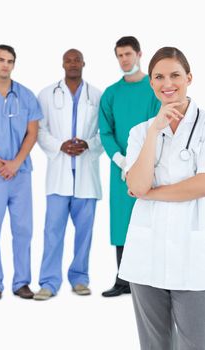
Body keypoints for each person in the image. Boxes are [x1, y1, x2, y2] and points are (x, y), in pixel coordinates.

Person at [119, 47, 205, 349]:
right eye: (158, 77)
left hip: (195, 256)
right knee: (154, 344)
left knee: (197, 342)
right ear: (151, 83)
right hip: (147, 255)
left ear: (189, 78)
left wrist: (152, 193)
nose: (167, 83)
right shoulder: (141, 132)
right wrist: (155, 131)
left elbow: (202, 184)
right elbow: (138, 185)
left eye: (175, 75)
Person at [0, 44, 43, 300]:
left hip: (20, 173)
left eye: (10, 61)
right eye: (1, 60)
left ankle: (22, 282)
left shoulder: (25, 96)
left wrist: (15, 163)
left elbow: (32, 132)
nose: (5, 64)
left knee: (23, 229)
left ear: (14, 65)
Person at [34, 49, 103, 300]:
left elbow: (104, 132)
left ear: (84, 63)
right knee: (52, 232)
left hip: (86, 176)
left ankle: (80, 278)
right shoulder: (46, 94)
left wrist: (88, 145)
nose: (73, 63)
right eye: (68, 60)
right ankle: (49, 283)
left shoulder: (97, 95)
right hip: (58, 175)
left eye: (77, 59)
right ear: (62, 64)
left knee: (85, 233)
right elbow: (39, 130)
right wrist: (59, 146)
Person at [99, 36, 160, 297]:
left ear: (139, 54)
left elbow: (159, 124)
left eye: (128, 54)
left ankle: (153, 280)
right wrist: (122, 161)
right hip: (120, 171)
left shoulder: (153, 89)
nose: (124, 60)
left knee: (153, 219)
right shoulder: (111, 93)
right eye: (120, 55)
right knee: (122, 222)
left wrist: (140, 161)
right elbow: (105, 132)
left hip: (151, 165)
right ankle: (123, 280)